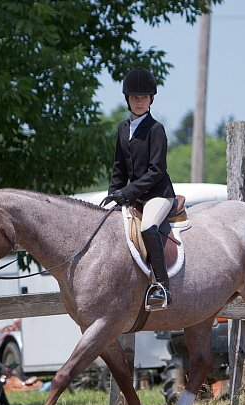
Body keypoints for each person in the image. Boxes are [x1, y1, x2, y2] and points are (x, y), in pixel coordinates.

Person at [100, 68, 176, 310]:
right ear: (127, 100)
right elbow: (118, 167)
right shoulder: (123, 129)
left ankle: (162, 286)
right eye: (134, 97)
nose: (139, 101)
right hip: (133, 196)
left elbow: (156, 171)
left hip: (158, 194)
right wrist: (114, 194)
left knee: (148, 227)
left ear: (151, 99)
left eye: (143, 97)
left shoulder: (156, 129)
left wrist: (127, 193)